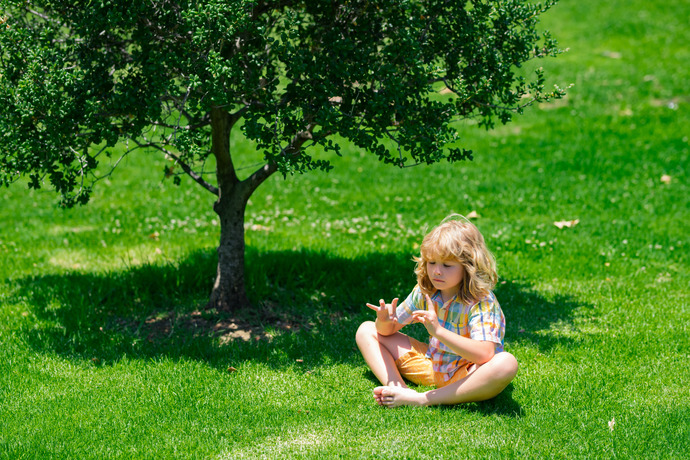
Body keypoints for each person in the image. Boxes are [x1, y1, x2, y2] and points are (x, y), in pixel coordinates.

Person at [355, 215, 518, 407]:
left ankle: (421, 399)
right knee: (367, 329)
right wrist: (384, 321)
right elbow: (386, 332)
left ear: (469, 267)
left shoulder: (481, 301)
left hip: (467, 375)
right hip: (432, 365)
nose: (437, 271)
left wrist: (438, 331)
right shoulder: (425, 290)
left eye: (447, 265)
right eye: (431, 263)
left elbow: (485, 355)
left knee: (505, 363)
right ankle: (399, 390)